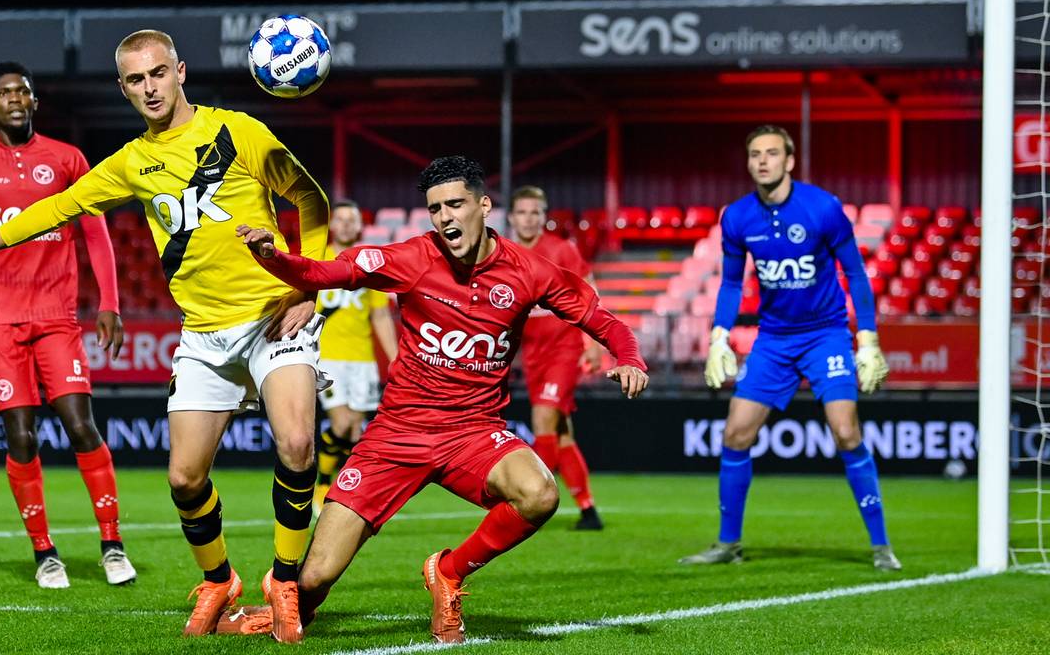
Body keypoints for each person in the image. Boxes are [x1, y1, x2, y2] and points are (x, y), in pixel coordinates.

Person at [0, 32, 329, 641]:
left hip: (273, 315)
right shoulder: (131, 163)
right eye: (136, 80)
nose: (150, 88)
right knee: (184, 479)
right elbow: (54, 209)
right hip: (205, 334)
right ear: (123, 88)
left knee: (296, 444)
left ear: (180, 71)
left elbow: (310, 199)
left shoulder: (239, 131)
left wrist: (308, 287)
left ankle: (285, 582)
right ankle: (219, 581)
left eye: (158, 73)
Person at [227, 156, 648, 644]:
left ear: (484, 206)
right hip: (397, 435)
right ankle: (283, 606)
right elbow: (331, 271)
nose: (446, 217)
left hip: (473, 433)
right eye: (435, 209)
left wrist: (630, 358)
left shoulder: (529, 271)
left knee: (540, 494)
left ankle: (448, 572)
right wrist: (272, 257)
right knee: (315, 578)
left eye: (455, 204)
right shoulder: (413, 258)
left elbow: (602, 319)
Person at [0, 61, 134, 589]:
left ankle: (112, 544)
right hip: (0, 319)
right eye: (5, 93)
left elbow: (95, 234)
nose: (16, 99)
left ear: (35, 102)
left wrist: (109, 302)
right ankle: (45, 552)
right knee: (21, 437)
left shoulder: (67, 159)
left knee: (80, 425)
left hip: (56, 316)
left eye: (23, 91)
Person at [683, 124, 896, 570]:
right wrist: (719, 335)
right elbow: (731, 283)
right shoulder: (737, 217)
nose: (763, 161)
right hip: (773, 340)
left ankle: (881, 546)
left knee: (846, 432)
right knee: (735, 433)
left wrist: (868, 338)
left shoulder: (823, 207)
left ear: (790, 160)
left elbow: (856, 274)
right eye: (755, 154)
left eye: (772, 153)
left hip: (826, 335)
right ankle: (728, 544)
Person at [507, 186, 605, 530]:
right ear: (511, 217)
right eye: (522, 212)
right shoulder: (506, 254)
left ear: (544, 217)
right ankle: (588, 510)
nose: (528, 219)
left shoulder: (561, 250)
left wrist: (593, 341)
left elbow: (587, 290)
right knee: (562, 434)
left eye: (535, 212)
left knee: (543, 420)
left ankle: (531, 505)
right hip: (532, 354)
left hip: (564, 348)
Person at [313, 200, 398, 513]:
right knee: (342, 422)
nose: (347, 225)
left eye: (352, 220)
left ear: (360, 226)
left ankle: (343, 489)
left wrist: (395, 357)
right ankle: (323, 482)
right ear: (332, 225)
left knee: (353, 430)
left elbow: (381, 316)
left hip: (362, 359)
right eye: (341, 219)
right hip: (328, 356)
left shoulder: (369, 264)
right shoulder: (318, 257)